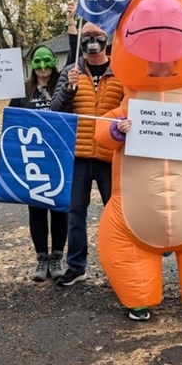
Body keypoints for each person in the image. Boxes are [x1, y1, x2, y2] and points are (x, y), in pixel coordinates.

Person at [51, 22, 125, 287]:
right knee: (75, 214)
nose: (92, 41)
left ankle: (120, 267)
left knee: (116, 214)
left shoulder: (122, 72)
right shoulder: (70, 71)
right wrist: (69, 88)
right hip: (78, 154)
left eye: (98, 36)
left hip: (110, 155)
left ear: (107, 39)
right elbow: (55, 109)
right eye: (87, 36)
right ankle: (76, 266)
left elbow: (129, 108)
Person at [8, 46, 67, 282]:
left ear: (54, 61)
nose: (43, 69)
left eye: (47, 63)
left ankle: (57, 257)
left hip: (58, 155)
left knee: (60, 208)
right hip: (31, 155)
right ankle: (42, 258)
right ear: (32, 64)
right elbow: (11, 117)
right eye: (38, 63)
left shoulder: (62, 85)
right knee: (37, 208)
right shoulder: (23, 89)